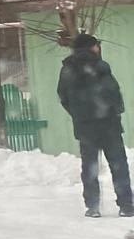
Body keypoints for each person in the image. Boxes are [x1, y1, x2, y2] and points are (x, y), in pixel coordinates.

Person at [57, 33, 133, 218]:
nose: (98, 48)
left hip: (85, 127)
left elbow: (63, 96)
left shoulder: (68, 69)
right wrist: (113, 111)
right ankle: (126, 206)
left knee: (90, 166)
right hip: (108, 125)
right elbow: (113, 92)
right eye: (96, 45)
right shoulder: (101, 66)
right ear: (91, 47)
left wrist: (79, 114)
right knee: (118, 164)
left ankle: (93, 206)